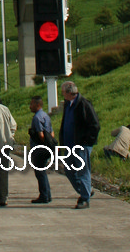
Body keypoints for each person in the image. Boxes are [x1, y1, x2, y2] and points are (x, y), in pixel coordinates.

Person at [59, 80, 100, 209]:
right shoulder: (68, 104)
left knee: (83, 171)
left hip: (80, 145)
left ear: (69, 92)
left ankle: (85, 198)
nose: (62, 94)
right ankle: (85, 190)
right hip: (69, 145)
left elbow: (95, 125)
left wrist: (86, 142)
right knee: (69, 170)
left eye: (63, 92)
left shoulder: (84, 104)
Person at [28, 95, 54, 204]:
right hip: (48, 147)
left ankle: (44, 195)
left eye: (32, 104)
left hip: (39, 148)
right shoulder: (46, 116)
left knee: (40, 173)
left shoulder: (37, 118)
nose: (30, 106)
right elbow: (51, 132)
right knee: (43, 171)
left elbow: (41, 134)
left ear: (37, 105)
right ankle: (47, 194)